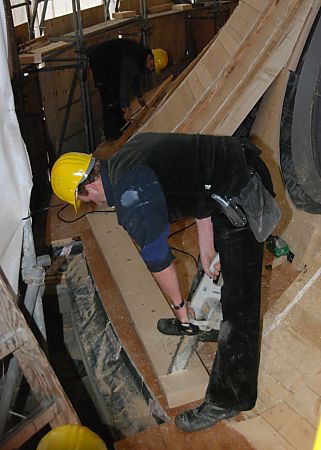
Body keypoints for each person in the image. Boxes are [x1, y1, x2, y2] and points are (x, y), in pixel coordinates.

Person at [50, 132, 280, 433]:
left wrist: (180, 308)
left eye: (87, 200)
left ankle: (232, 398)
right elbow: (198, 179)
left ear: (86, 187)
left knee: (241, 305)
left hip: (242, 189)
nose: (95, 203)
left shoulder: (131, 195)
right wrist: (207, 248)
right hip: (227, 181)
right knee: (213, 273)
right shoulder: (128, 153)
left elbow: (159, 260)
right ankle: (211, 329)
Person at [87, 39, 168, 140]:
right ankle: (111, 134)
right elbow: (124, 82)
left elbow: (134, 79)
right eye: (152, 66)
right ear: (150, 58)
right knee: (110, 98)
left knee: (116, 93)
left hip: (111, 66)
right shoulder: (133, 59)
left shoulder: (140, 57)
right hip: (101, 64)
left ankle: (121, 124)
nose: (151, 69)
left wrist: (139, 96)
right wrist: (126, 107)